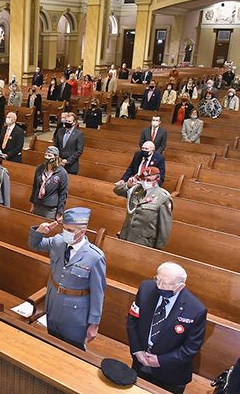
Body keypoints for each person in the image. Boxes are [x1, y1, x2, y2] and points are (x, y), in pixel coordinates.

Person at [28, 207, 106, 351]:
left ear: (82, 232)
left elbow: (98, 294)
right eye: (64, 228)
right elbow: (35, 245)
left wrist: (94, 324)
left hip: (75, 315)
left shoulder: (95, 257)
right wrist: (39, 232)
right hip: (53, 306)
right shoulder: (58, 241)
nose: (65, 233)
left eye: (70, 230)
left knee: (73, 351)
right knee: (52, 344)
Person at [127, 262, 207, 393]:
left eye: (166, 284)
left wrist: (160, 361)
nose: (159, 286)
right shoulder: (146, 288)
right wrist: (137, 350)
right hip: (140, 362)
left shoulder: (196, 310)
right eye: (157, 280)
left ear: (180, 286)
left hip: (170, 374)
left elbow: (191, 348)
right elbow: (132, 320)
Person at [114, 166, 172, 249]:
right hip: (125, 236)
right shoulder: (137, 190)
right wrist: (128, 185)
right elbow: (117, 191)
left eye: (148, 180)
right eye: (143, 179)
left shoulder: (163, 197)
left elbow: (164, 229)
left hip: (143, 243)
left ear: (157, 180)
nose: (145, 182)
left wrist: (158, 250)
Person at [30, 146, 68, 220]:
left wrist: (60, 212)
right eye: (46, 155)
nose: (47, 157)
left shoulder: (61, 173)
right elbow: (35, 187)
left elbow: (63, 193)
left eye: (49, 155)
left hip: (50, 209)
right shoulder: (39, 168)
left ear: (56, 157)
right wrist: (33, 203)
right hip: (38, 205)